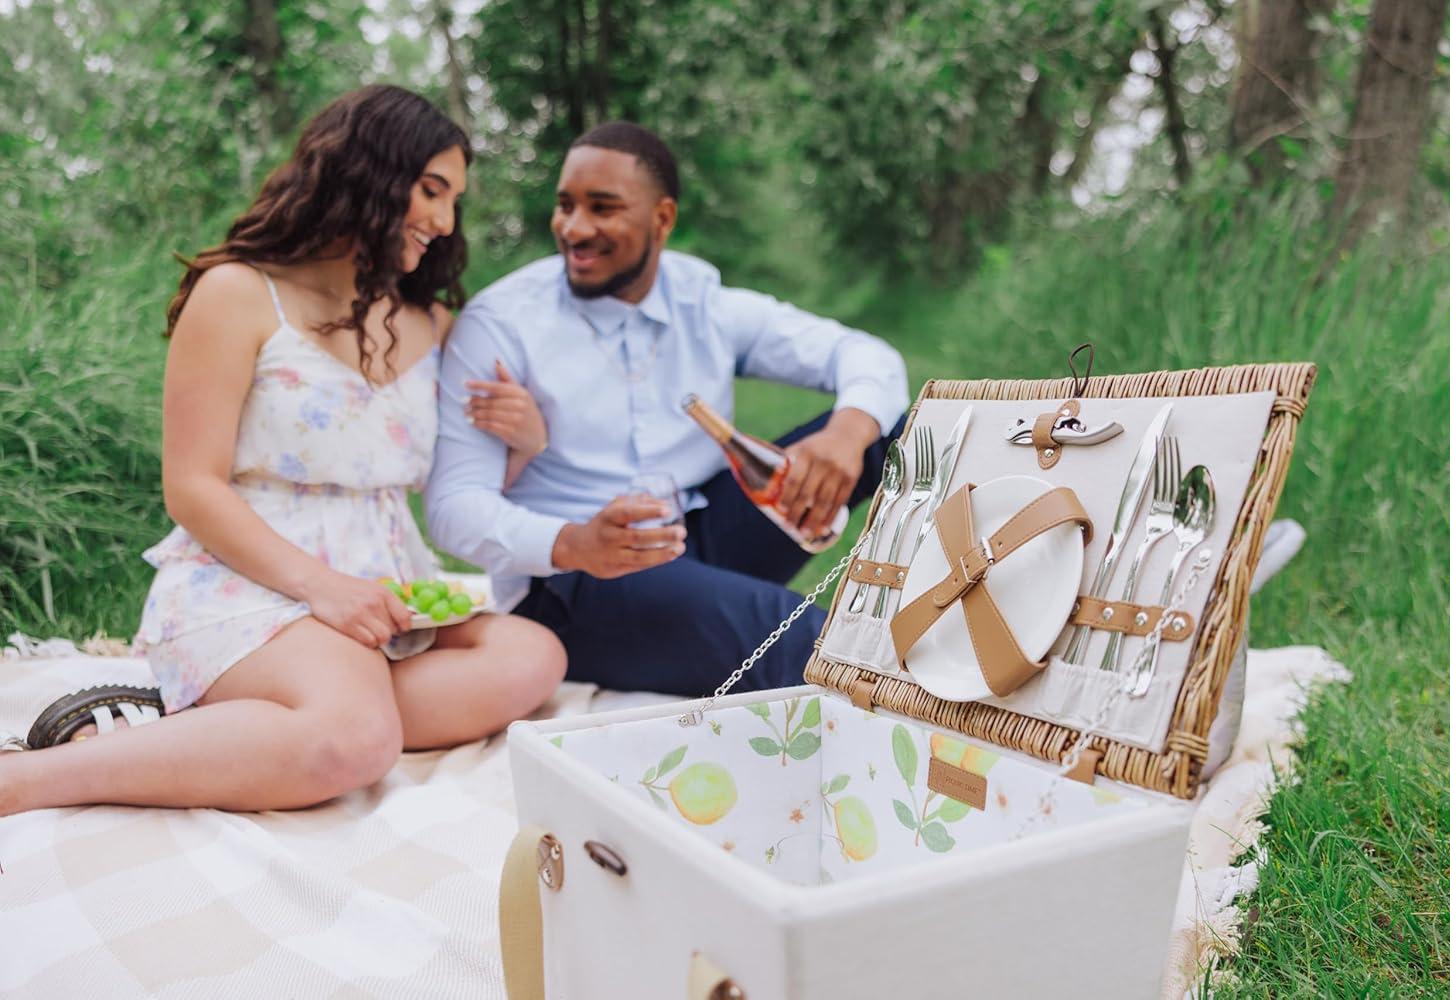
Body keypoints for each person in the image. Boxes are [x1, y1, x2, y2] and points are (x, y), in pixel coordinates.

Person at [0, 86, 565, 817]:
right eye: (430, 190)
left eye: (453, 199)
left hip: (385, 591)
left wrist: (525, 445)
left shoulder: (432, 324)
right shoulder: (237, 293)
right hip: (251, 580)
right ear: (368, 171)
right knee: (357, 742)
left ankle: (247, 723)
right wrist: (320, 588)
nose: (443, 220)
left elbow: (453, 487)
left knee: (534, 656)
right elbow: (192, 487)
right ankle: (30, 776)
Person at [427, 121, 908, 698]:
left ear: (662, 219)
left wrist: (845, 435)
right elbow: (452, 507)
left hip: (694, 531)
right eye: (565, 206)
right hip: (575, 577)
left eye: (602, 208)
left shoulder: (701, 302)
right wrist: (575, 541)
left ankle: (948, 610)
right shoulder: (501, 324)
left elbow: (863, 354)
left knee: (900, 438)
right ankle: (932, 723)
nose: (574, 229)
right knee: (793, 633)